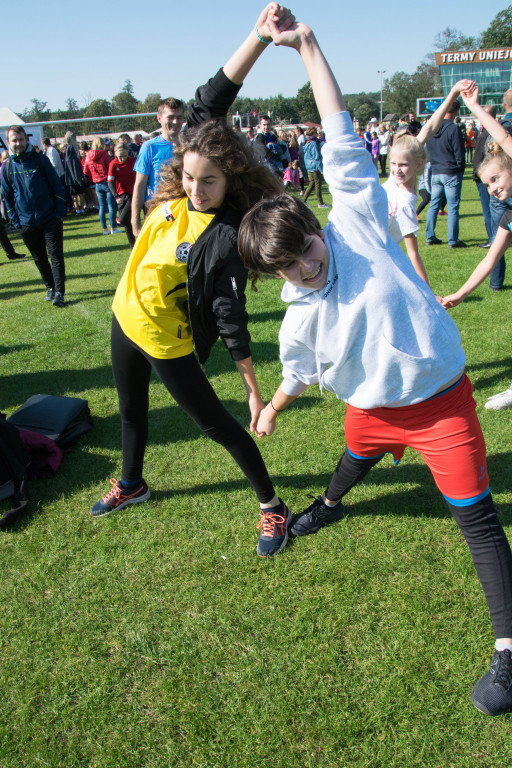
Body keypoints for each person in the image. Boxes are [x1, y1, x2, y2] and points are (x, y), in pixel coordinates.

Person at [238, 19, 512, 717]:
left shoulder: (355, 214)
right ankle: (327, 507)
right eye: (291, 263)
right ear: (275, 273)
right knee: (354, 456)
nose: (310, 262)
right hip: (374, 406)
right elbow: (299, 373)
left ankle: (510, 656)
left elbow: (335, 125)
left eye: (307, 244)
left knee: (477, 521)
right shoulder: (297, 316)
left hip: (441, 401)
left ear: (313, 223)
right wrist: (271, 406)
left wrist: (306, 47)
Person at [90, 3, 294, 560]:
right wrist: (255, 37)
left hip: (168, 339)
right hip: (123, 319)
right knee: (131, 413)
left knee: (220, 427)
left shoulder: (226, 234)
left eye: (209, 181)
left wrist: (253, 386)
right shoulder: (175, 187)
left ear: (231, 179)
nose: (196, 189)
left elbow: (231, 315)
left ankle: (272, 505)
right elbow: (209, 103)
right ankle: (132, 484)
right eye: (190, 177)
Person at [442, 85, 512, 411]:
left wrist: (474, 106)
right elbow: (488, 261)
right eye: (487, 185)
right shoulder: (509, 217)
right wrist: (460, 294)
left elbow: (505, 138)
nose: (493, 188)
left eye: (496, 179)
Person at [1, 125, 66, 306]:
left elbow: (57, 186)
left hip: (49, 218)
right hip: (26, 222)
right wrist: (16, 221)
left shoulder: (41, 160)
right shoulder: (7, 168)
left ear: (26, 140)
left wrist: (58, 214)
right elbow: (7, 198)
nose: (18, 143)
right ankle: (50, 287)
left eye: (21, 139)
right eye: (14, 140)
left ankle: (60, 292)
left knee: (55, 256)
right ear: (8, 143)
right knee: (39, 257)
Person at [131, 98, 185, 238]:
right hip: (158, 214)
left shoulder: (189, 145)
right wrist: (135, 223)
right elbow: (140, 185)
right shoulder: (149, 147)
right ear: (159, 118)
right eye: (171, 117)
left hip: (185, 214)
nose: (175, 121)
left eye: (179, 117)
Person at [425, 99, 467, 248]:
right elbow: (459, 154)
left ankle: (430, 236)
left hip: (436, 171)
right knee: (453, 207)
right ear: (456, 112)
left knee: (434, 205)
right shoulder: (453, 129)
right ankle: (453, 240)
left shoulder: (433, 127)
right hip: (451, 172)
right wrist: (460, 170)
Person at [84, 137, 121, 235]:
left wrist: (93, 176)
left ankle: (105, 229)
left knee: (102, 207)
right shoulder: (104, 154)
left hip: (97, 184)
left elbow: (85, 171)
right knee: (111, 206)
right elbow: (110, 166)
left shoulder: (88, 155)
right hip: (107, 181)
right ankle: (113, 227)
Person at [472, 106, 497, 249]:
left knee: (488, 210)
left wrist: (476, 175)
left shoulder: (484, 135)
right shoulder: (496, 132)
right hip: (496, 176)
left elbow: (477, 160)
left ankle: (492, 239)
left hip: (485, 178)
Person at [108, 144, 137, 247]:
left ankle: (139, 232)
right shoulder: (113, 164)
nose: (123, 159)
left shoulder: (133, 161)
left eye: (124, 156)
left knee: (123, 219)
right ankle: (133, 247)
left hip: (133, 194)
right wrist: (116, 196)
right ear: (116, 155)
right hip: (121, 196)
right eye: (120, 157)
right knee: (127, 225)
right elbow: (110, 181)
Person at [302, 127, 328, 208]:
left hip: (309, 166)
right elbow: (317, 157)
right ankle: (320, 203)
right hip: (315, 166)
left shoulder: (307, 142)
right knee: (318, 185)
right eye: (316, 133)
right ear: (313, 134)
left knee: (312, 184)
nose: (317, 134)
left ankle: (303, 201)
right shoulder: (314, 143)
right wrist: (321, 169)